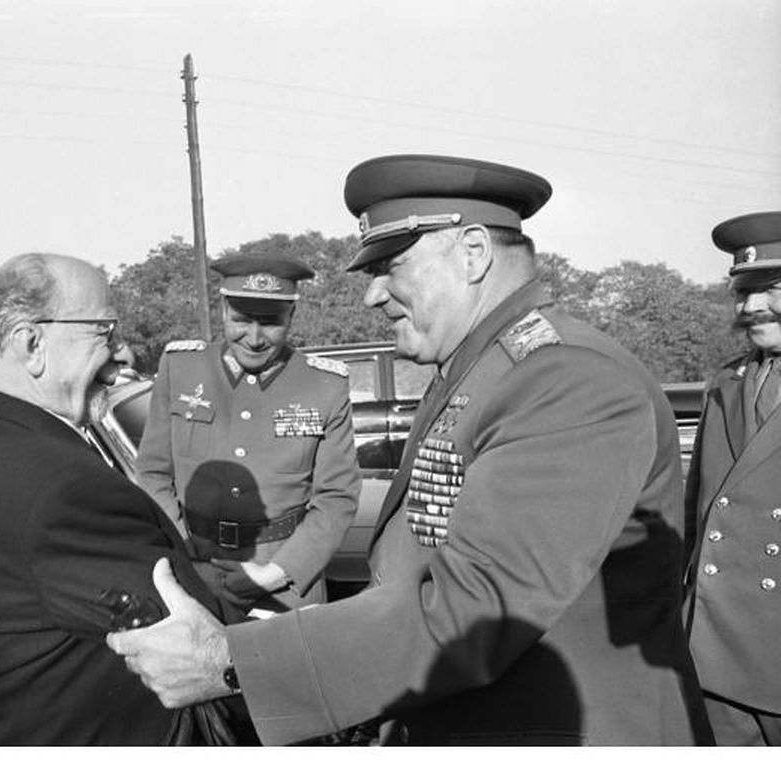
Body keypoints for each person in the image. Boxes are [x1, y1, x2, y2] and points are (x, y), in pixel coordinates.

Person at [108, 154, 712, 746]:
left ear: (473, 253)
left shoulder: (565, 378)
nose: (373, 296)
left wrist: (229, 659)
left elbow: (479, 608)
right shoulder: (482, 365)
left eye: (389, 266)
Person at [0, 252, 242, 745]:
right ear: (32, 343)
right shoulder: (61, 484)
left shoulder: (9, 440)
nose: (122, 353)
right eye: (103, 331)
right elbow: (186, 633)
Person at [135, 252, 361, 612]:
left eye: (270, 322)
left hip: (284, 584)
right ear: (222, 310)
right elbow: (152, 473)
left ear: (292, 316)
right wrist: (189, 556)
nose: (254, 338)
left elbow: (336, 498)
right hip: (194, 571)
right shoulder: (181, 368)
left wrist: (275, 573)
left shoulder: (324, 385)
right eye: (241, 319)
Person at [684, 211, 781, 746]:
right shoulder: (727, 381)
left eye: (771, 289)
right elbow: (697, 507)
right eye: (743, 291)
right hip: (715, 649)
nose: (751, 307)